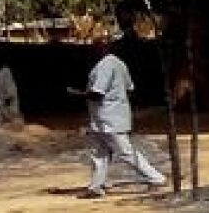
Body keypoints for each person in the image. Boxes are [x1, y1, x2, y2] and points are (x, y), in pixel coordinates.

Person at [70, 38, 166, 197]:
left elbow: (97, 94)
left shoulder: (103, 66)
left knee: (125, 151)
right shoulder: (119, 63)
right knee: (98, 153)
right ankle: (95, 187)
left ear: (102, 50)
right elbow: (130, 88)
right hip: (108, 117)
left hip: (108, 119)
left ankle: (156, 178)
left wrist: (78, 94)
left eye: (93, 49)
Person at [0, 62, 21, 126]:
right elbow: (3, 84)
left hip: (7, 95)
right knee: (4, 109)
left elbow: (7, 84)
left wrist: (7, 96)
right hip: (5, 94)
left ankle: (12, 122)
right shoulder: (3, 72)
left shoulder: (4, 72)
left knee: (10, 110)